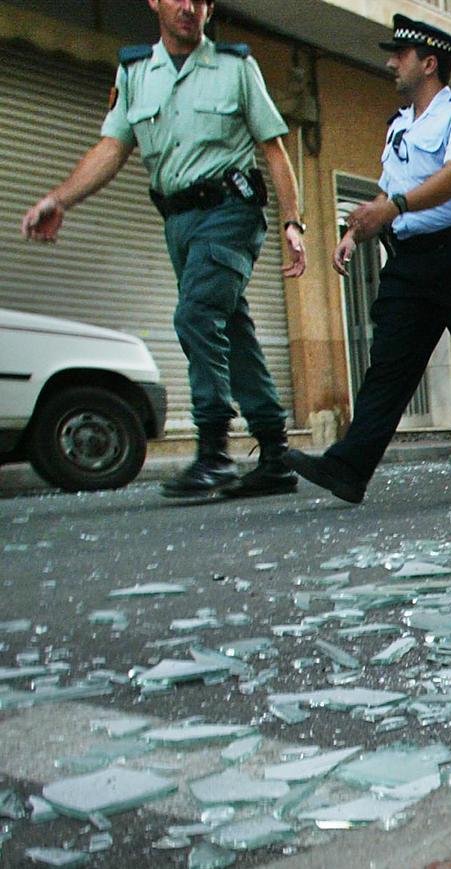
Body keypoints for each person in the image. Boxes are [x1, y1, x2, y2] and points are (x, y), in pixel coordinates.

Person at [20, 0, 307, 500]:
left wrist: (292, 221)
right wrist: (59, 198)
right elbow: (112, 147)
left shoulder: (236, 67)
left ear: (209, 8)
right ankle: (276, 457)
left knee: (196, 316)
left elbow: (274, 148)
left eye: (199, 0)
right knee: (230, 328)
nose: (188, 7)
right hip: (176, 221)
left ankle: (214, 454)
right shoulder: (135, 72)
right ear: (155, 1)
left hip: (230, 213)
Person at [284, 13, 451, 503]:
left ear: (429, 64)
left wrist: (393, 208)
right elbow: (390, 189)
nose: (390, 63)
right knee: (389, 366)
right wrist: (353, 233)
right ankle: (349, 468)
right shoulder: (399, 126)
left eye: (399, 56)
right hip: (410, 261)